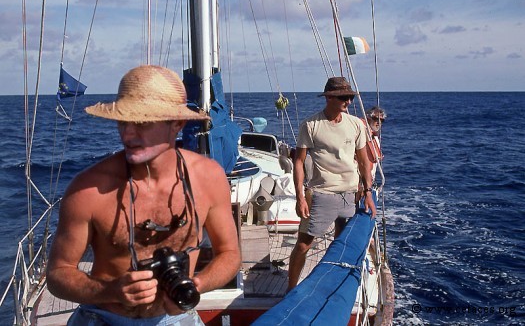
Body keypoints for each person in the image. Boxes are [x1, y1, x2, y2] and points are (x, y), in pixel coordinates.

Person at [46, 65, 241, 325]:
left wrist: (195, 285)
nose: (127, 133)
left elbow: (230, 253)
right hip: (103, 317)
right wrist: (110, 291)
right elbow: (58, 274)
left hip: (176, 318)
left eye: (142, 122)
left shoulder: (209, 179)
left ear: (178, 124)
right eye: (123, 121)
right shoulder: (88, 191)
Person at [287, 76, 377, 291]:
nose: (348, 101)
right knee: (303, 244)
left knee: (341, 244)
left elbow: (364, 161)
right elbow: (298, 162)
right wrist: (300, 197)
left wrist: (368, 193)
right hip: (322, 194)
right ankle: (290, 289)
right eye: (343, 97)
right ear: (328, 98)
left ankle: (332, 284)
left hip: (350, 195)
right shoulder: (310, 125)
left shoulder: (356, 124)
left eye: (349, 97)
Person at [364, 106, 386, 182]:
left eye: (382, 120)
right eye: (376, 119)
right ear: (368, 118)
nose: (379, 122)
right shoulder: (362, 134)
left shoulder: (375, 138)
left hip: (370, 180)